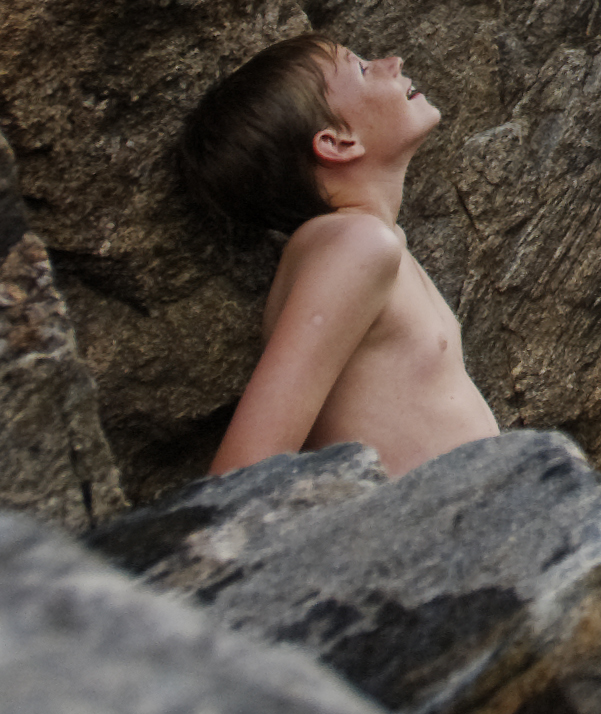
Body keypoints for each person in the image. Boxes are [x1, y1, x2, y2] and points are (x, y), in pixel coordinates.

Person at [177, 31, 498, 477]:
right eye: (363, 69)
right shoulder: (356, 244)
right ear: (337, 141)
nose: (393, 60)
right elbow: (244, 472)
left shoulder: (376, 242)